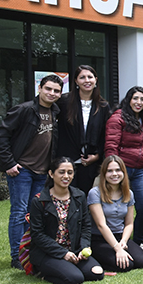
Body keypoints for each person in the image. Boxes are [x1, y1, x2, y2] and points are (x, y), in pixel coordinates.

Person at [0, 74, 63, 269]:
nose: (52, 93)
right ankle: (17, 257)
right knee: (18, 213)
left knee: (32, 214)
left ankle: (29, 253)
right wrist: (9, 163)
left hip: (42, 172)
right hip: (22, 171)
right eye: (48, 89)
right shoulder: (25, 109)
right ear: (40, 88)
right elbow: (0, 135)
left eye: (56, 91)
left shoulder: (56, 112)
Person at [27, 158, 104, 284]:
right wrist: (63, 254)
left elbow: (86, 226)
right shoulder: (39, 201)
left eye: (70, 172)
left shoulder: (79, 196)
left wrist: (85, 246)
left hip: (74, 250)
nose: (66, 176)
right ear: (51, 174)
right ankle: (42, 272)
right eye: (61, 172)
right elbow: (38, 235)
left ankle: (67, 268)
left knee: (96, 273)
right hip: (48, 253)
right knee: (75, 278)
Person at [104, 86, 143, 244]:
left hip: (140, 170)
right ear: (128, 100)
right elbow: (111, 146)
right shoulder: (118, 117)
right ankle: (113, 241)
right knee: (116, 208)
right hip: (122, 169)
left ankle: (138, 241)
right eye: (135, 98)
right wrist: (113, 170)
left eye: (142, 99)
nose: (139, 102)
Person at [87, 156, 143, 272]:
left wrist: (123, 242)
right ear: (104, 174)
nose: (114, 174)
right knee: (126, 265)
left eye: (118, 170)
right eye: (110, 171)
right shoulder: (95, 193)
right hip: (100, 238)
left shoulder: (128, 193)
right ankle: (96, 258)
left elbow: (129, 223)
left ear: (123, 172)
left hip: (120, 236)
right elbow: (101, 225)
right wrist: (117, 249)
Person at [56, 65, 110, 193]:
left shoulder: (103, 106)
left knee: (85, 199)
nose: (87, 80)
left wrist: (97, 156)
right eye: (82, 77)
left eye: (90, 77)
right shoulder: (64, 102)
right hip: (67, 160)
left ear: (96, 80)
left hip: (90, 162)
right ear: (76, 81)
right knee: (67, 197)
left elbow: (105, 135)